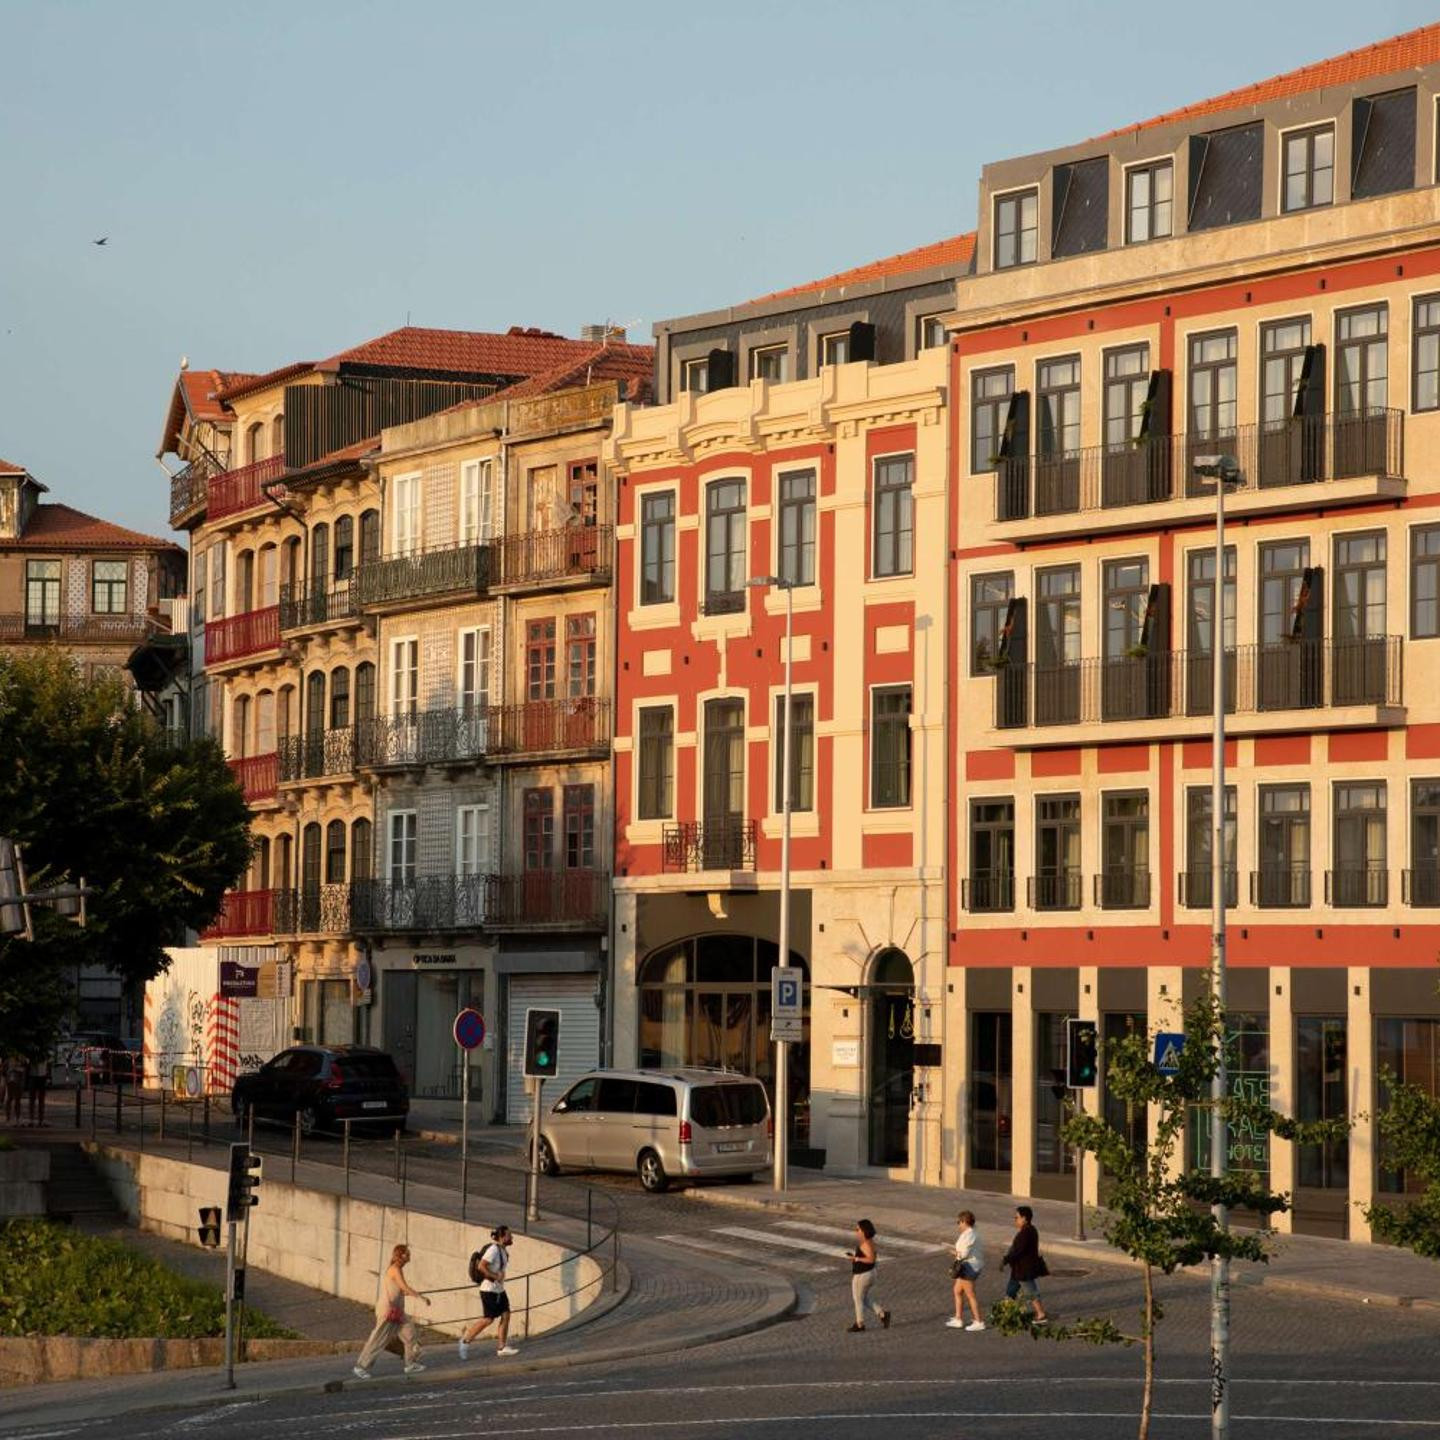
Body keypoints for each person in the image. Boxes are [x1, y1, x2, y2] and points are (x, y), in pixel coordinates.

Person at [354, 1243, 430, 1378]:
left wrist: (406, 1293)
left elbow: (399, 1290)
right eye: (407, 1253)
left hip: (398, 1310)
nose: (409, 1256)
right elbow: (404, 1287)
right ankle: (361, 1367)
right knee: (379, 1339)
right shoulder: (395, 1269)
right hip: (388, 1310)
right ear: (400, 1255)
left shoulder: (398, 1269)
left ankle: (410, 1364)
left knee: (410, 1334)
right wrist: (421, 1297)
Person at [458, 1224, 519, 1359]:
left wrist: (499, 1278)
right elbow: (481, 1266)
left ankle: (501, 1347)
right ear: (502, 1237)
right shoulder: (493, 1250)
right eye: (509, 1235)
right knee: (488, 1319)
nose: (511, 1237)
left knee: (506, 1314)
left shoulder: (502, 1251)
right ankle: (465, 1341)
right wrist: (495, 1276)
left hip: (498, 1290)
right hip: (489, 1290)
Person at [1001, 1205, 1049, 1322]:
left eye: (1017, 1217)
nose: (1015, 1220)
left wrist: (1006, 1260)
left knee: (1031, 1291)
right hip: (1018, 1269)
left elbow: (1018, 1251)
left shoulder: (1026, 1232)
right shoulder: (1029, 1230)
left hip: (1024, 1269)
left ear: (1024, 1218)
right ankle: (1005, 1313)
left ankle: (1041, 1314)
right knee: (1011, 1291)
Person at [844, 1218, 890, 1333]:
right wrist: (855, 1257)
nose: (856, 1231)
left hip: (862, 1275)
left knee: (858, 1299)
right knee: (864, 1298)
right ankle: (882, 1314)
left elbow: (871, 1259)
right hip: (869, 1273)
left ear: (864, 1230)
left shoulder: (866, 1243)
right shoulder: (869, 1242)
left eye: (858, 1229)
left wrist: (856, 1258)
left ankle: (860, 1324)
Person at [947, 1210, 985, 1331]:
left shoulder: (970, 1235)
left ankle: (979, 1321)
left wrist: (953, 1252)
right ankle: (958, 1318)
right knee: (957, 1290)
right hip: (967, 1265)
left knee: (970, 1294)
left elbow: (963, 1254)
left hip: (969, 1267)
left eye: (959, 1222)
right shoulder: (969, 1233)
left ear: (964, 1222)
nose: (958, 1225)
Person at [25, 1054, 50, 1128]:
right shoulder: (32, 1052)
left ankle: (40, 1120)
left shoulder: (45, 1052)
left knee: (41, 1100)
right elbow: (27, 1064)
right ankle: (31, 1120)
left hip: (42, 1076)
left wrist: (48, 1076)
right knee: (32, 1099)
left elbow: (48, 1064)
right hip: (33, 1076)